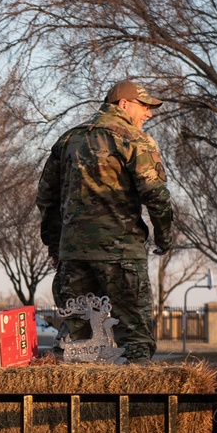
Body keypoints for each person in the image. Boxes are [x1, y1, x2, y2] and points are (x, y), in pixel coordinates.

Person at [36, 79, 174, 363]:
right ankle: (137, 402)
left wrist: (55, 247)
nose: (149, 114)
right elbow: (156, 195)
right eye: (144, 106)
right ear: (124, 104)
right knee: (135, 339)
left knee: (76, 343)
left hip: (74, 256)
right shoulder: (135, 141)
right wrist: (164, 238)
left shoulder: (67, 140)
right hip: (121, 255)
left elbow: (46, 200)